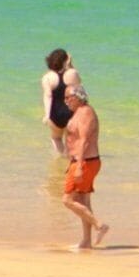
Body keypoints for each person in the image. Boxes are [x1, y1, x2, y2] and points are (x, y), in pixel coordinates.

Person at [56, 88, 106, 249]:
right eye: (65, 99)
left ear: (78, 97)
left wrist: (78, 166)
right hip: (82, 161)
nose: (66, 101)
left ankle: (99, 225)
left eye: (68, 98)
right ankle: (86, 241)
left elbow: (84, 139)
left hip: (85, 161)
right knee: (83, 201)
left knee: (68, 200)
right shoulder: (78, 112)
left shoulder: (85, 112)